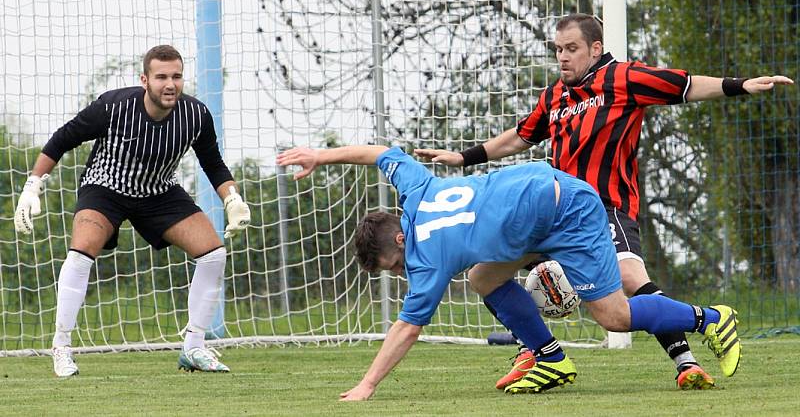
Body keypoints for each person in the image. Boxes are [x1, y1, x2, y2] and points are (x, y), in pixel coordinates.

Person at [415, 13, 793, 390]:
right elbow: (519, 137)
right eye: (558, 49)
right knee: (483, 274)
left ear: (595, 49)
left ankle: (688, 357)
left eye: (572, 49)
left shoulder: (623, 78)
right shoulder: (555, 96)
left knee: (627, 282)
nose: (562, 57)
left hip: (605, 206)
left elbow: (685, 85)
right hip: (554, 213)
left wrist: (740, 85)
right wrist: (464, 158)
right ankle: (541, 354)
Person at [276, 144, 741, 400]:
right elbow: (381, 154)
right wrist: (321, 155)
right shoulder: (416, 191)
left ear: (401, 240)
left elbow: (406, 330)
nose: (402, 275)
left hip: (567, 211)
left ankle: (711, 319)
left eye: (396, 266)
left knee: (614, 317)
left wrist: (366, 385)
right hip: (532, 204)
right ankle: (552, 358)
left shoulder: (429, 260)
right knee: (483, 277)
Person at [13, 45, 251, 377]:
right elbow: (61, 139)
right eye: (161, 77)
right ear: (145, 79)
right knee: (81, 252)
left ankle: (194, 346)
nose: (170, 84)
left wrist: (233, 200)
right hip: (106, 188)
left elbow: (213, 163)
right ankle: (61, 346)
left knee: (213, 254)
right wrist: (32, 187)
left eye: (177, 76)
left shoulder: (196, 115)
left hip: (158, 192)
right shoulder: (113, 107)